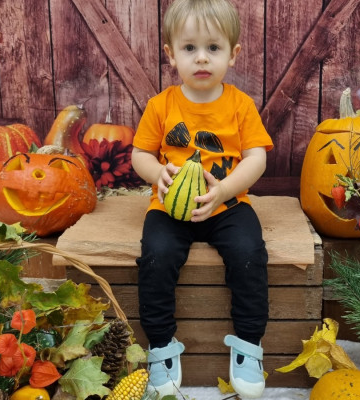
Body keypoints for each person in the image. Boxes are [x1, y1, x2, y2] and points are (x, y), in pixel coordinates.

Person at [131, 0, 273, 397]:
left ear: (233, 53)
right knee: (155, 257)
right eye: (189, 48)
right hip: (169, 207)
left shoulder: (240, 106)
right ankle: (161, 346)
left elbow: (256, 158)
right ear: (171, 54)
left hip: (227, 206)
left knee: (250, 254)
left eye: (213, 47)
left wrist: (225, 189)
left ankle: (248, 345)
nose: (202, 58)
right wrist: (157, 173)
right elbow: (140, 154)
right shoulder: (161, 105)